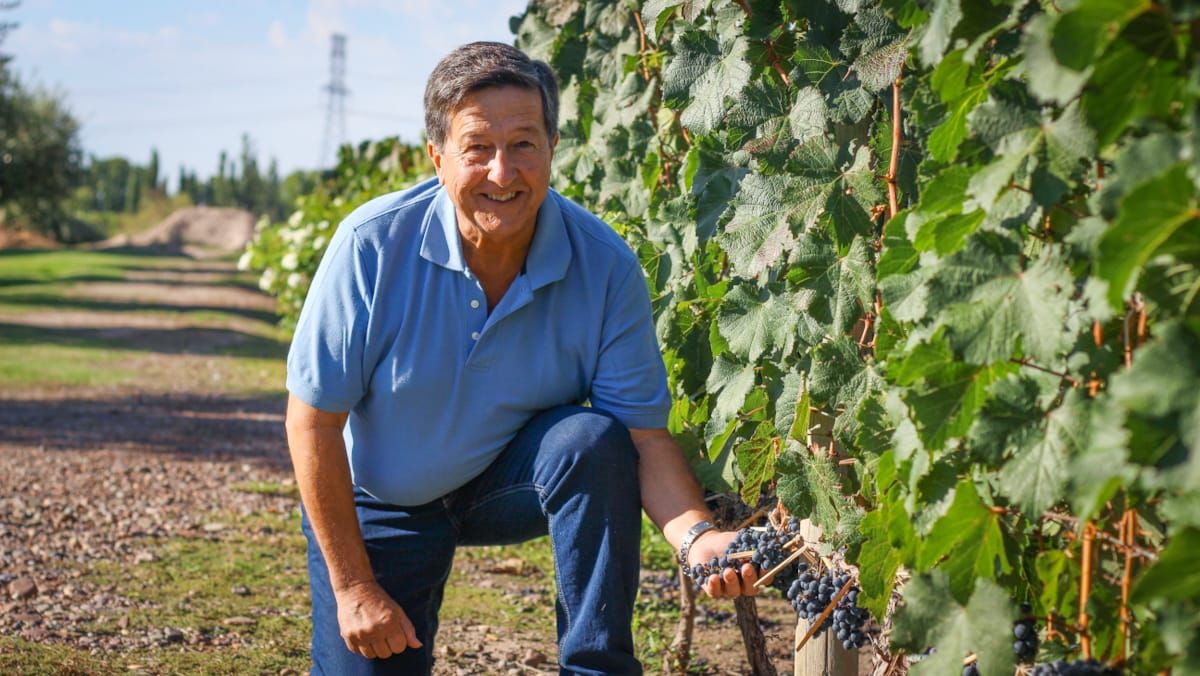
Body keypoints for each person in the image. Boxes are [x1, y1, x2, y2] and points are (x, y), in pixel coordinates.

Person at [284, 41, 759, 675]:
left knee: (592, 441)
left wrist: (700, 540)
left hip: (505, 483)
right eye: (478, 148)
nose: (503, 173)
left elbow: (642, 438)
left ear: (553, 148)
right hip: (382, 497)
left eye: (524, 145)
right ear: (437, 157)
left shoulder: (604, 265)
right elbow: (312, 424)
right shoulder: (371, 245)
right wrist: (353, 588)